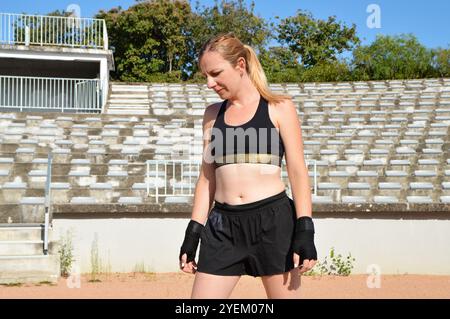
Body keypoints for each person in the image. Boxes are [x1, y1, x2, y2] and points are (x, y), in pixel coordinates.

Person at [179, 32, 317, 299]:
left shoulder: (279, 107)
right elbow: (207, 178)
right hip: (222, 227)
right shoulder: (212, 115)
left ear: (240, 65)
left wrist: (306, 228)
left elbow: (298, 172)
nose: (210, 83)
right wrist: (193, 231)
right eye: (205, 76)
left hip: (273, 224)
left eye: (216, 73)